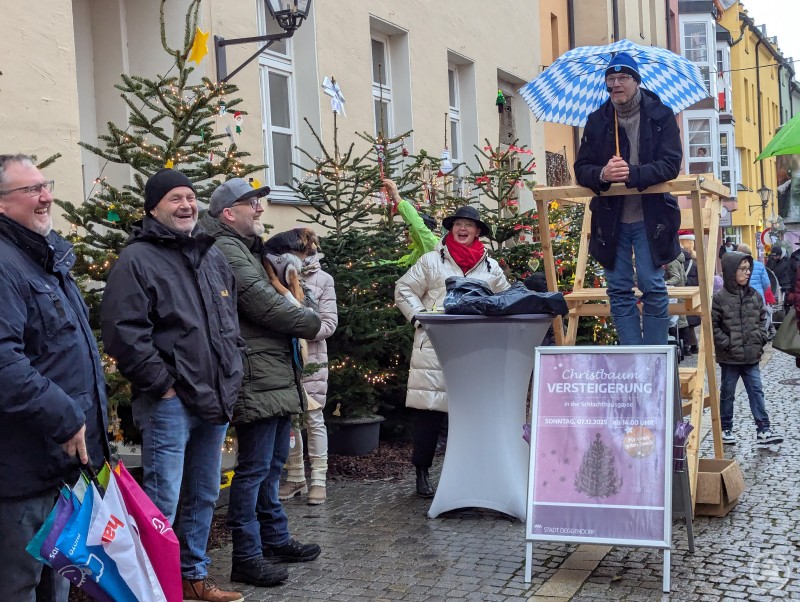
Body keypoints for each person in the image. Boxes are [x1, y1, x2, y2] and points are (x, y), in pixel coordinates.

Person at [101, 168, 246, 602]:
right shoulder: (137, 259)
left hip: (214, 396)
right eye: (174, 199)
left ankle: (192, 577)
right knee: (161, 501)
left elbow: (229, 320)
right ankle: (154, 588)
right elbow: (123, 330)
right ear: (153, 208)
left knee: (203, 494)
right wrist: (162, 385)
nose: (186, 205)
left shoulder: (212, 254)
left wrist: (232, 370)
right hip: (170, 403)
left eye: (190, 197)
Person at [197, 179, 323, 588]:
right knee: (252, 469)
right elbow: (263, 303)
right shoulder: (225, 247)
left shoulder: (252, 248)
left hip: (274, 368)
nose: (260, 209)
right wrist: (312, 324)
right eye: (252, 203)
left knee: (271, 465)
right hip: (254, 371)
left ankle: (275, 538)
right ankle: (246, 556)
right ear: (228, 212)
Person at [0, 154, 109, 602]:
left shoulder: (47, 258)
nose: (45, 196)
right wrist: (66, 416)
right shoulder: (5, 266)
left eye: (45, 185)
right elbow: (4, 363)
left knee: (59, 581)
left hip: (63, 464)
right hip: (23, 469)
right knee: (20, 586)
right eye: (31, 190)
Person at [395, 206, 510, 497]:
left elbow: (506, 300)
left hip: (473, 351)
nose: (462, 229)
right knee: (429, 415)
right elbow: (404, 289)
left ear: (477, 232)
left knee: (469, 415)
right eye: (458, 224)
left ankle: (467, 475)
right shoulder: (431, 261)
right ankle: (422, 473)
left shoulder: (490, 268)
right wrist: (421, 317)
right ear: (450, 229)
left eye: (468, 225)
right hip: (433, 349)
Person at [574, 51, 682, 345]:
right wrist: (603, 174)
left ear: (636, 80)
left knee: (652, 286)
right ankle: (633, 358)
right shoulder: (597, 121)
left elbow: (671, 163)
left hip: (652, 217)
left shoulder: (661, 115)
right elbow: (581, 169)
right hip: (611, 219)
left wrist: (633, 174)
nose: (616, 84)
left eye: (623, 78)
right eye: (611, 79)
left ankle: (656, 357)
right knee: (618, 289)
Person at [269, 228, 339, 506]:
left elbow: (329, 324)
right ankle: (296, 477)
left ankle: (319, 480)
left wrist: (297, 330)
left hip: (311, 360)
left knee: (313, 418)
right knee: (292, 421)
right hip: (284, 358)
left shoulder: (323, 280)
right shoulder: (275, 276)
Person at [712, 251, 783, 447]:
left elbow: (763, 319)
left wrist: (760, 338)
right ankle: (726, 429)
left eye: (748, 268)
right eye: (742, 269)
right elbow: (713, 326)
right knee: (728, 393)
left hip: (751, 355)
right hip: (730, 358)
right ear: (731, 271)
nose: (747, 272)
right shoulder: (719, 298)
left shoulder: (754, 296)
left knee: (756, 391)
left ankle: (764, 430)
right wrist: (727, 343)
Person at [384, 178, 439, 266]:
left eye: (407, 235)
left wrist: (398, 199)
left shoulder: (432, 245)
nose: (405, 240)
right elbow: (400, 264)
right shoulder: (417, 252)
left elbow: (417, 228)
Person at [737, 243, 774, 334]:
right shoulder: (760, 265)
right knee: (759, 322)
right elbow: (766, 284)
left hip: (742, 298)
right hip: (759, 298)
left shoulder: (737, 267)